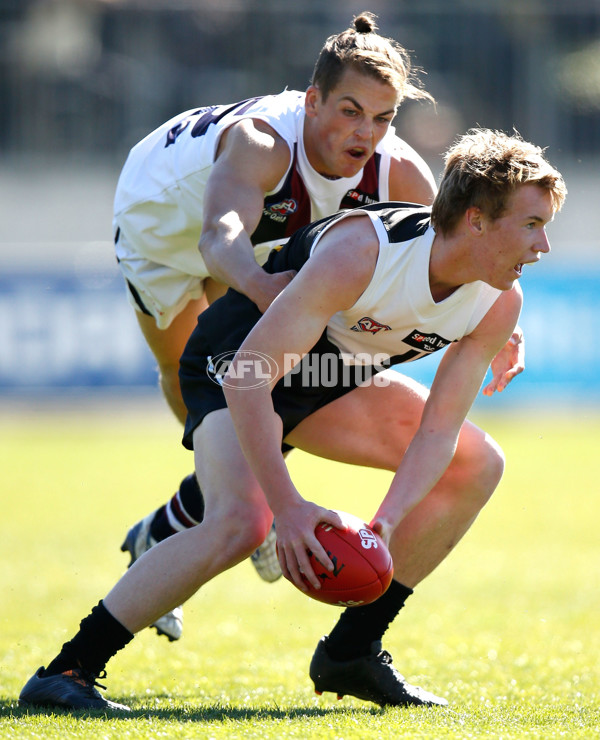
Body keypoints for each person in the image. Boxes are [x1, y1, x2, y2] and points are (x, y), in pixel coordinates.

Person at [19, 128, 566, 712]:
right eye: (533, 225)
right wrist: (289, 508)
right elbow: (249, 379)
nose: (544, 246)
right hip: (236, 362)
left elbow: (437, 430)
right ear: (477, 220)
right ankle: (67, 671)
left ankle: (352, 653)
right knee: (241, 524)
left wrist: (385, 522)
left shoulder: (500, 300)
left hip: (327, 383)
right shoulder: (363, 252)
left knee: (477, 463)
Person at [114, 11, 525, 642]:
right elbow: (220, 238)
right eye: (349, 112)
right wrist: (260, 286)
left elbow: (450, 249)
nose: (366, 133)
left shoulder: (398, 171)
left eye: (383, 118)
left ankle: (185, 523)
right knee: (193, 367)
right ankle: (213, 514)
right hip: (162, 230)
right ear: (312, 101)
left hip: (266, 243)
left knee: (265, 373)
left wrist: (497, 318)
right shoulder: (261, 144)